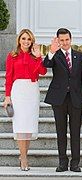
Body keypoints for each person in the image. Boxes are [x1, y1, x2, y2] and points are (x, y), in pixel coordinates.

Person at [43, 28, 82, 172]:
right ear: (58, 41)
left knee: (75, 131)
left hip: (76, 99)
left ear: (71, 39)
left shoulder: (79, 56)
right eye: (61, 40)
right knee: (61, 131)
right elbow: (46, 64)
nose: (64, 43)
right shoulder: (55, 55)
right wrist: (51, 51)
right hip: (59, 100)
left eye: (67, 40)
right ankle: (62, 162)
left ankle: (75, 163)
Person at [3, 29, 47, 171]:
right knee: (21, 126)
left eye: (29, 39)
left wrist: (39, 57)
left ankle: (23, 156)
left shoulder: (35, 56)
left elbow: (42, 72)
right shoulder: (12, 56)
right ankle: (24, 159)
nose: (26, 41)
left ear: (31, 41)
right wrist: (7, 96)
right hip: (18, 91)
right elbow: (9, 77)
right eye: (23, 39)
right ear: (19, 40)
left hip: (32, 90)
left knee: (28, 127)